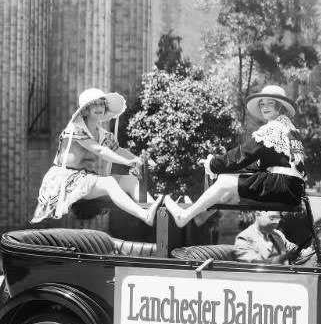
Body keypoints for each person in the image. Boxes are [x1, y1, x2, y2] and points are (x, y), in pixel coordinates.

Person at [164, 84, 305, 228]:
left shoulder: (274, 128)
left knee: (225, 181)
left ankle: (184, 216)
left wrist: (212, 164)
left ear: (280, 107)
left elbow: (243, 154)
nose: (264, 107)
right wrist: (234, 170)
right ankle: (198, 215)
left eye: (270, 103)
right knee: (231, 189)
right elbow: (258, 164)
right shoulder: (290, 129)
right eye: (262, 104)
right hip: (292, 189)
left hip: (282, 185)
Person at [31, 88, 161, 225]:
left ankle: (156, 211)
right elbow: (99, 150)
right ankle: (144, 215)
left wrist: (138, 160)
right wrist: (129, 162)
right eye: (95, 104)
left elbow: (118, 150)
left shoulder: (103, 134)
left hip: (86, 178)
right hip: (65, 180)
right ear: (86, 110)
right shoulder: (75, 128)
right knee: (109, 182)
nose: (100, 107)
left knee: (131, 180)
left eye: (102, 104)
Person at [234, 211, 300, 264]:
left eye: (278, 219)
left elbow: (293, 249)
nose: (276, 222)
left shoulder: (278, 234)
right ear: (258, 215)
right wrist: (283, 258)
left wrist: (303, 252)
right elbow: (253, 265)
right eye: (272, 218)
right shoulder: (243, 238)